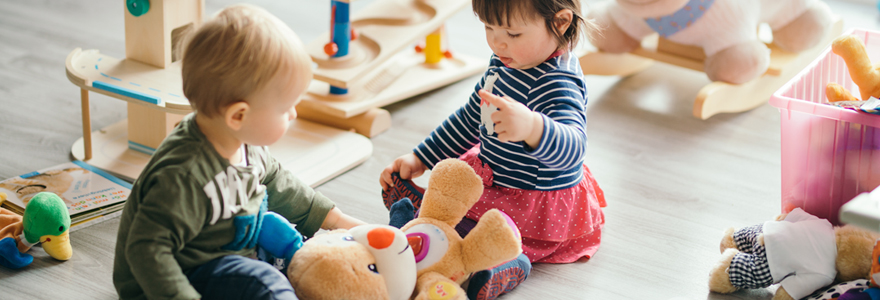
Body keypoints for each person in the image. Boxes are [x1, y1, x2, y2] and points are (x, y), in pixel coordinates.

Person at [112, 4, 366, 300]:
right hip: (181, 276)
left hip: (228, 250)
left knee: (296, 248)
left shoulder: (242, 141)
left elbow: (278, 181)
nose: (294, 114)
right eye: (285, 109)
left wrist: (339, 221)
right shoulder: (183, 176)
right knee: (268, 285)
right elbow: (147, 250)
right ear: (238, 116)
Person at [381, 0, 606, 299]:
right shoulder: (505, 60)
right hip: (494, 173)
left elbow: (573, 150)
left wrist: (533, 128)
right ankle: (426, 218)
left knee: (490, 238)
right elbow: (472, 116)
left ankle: (506, 266)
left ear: (561, 22)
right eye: (489, 27)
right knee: (454, 187)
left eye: (513, 34)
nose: (497, 42)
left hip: (531, 199)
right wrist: (423, 156)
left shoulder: (557, 83)